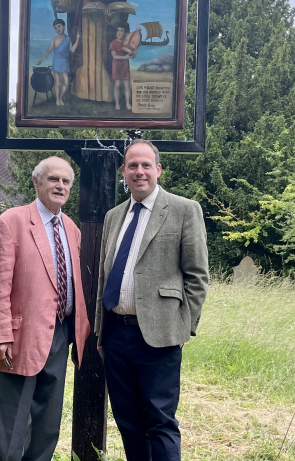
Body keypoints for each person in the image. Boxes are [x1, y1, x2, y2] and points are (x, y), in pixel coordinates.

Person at [94, 140, 209, 460]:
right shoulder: (113, 216)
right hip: (116, 334)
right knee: (129, 422)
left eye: (146, 165)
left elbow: (197, 277)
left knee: (160, 422)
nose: (139, 171)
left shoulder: (185, 210)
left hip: (160, 335)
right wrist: (103, 333)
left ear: (158, 170)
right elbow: (106, 275)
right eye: (132, 166)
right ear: (124, 172)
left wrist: (184, 328)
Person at [0, 156, 90, 461]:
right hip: (21, 335)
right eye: (53, 179)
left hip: (60, 333)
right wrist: (0, 335)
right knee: (10, 421)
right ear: (36, 181)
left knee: (47, 423)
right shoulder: (11, 222)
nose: (60, 186)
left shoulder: (71, 229)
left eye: (66, 181)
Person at [48, 0, 129, 103]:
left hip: (104, 33)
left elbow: (122, 13)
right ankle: (81, 91)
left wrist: (110, 14)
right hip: (83, 30)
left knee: (102, 62)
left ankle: (104, 95)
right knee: (83, 60)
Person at [35, 18, 81, 106]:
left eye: (59, 26)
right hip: (56, 61)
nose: (57, 29)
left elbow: (72, 50)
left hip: (64, 62)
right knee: (57, 82)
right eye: (55, 28)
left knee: (66, 83)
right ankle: (57, 100)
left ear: (63, 27)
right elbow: (49, 50)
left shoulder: (68, 38)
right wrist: (41, 59)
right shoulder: (53, 39)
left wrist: (78, 39)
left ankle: (60, 97)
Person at [109, 23, 135, 111]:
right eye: (118, 30)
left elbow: (132, 54)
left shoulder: (127, 43)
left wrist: (133, 53)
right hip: (116, 65)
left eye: (121, 30)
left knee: (127, 85)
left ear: (125, 33)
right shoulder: (113, 43)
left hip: (125, 65)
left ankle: (128, 103)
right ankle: (117, 104)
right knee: (117, 84)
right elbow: (114, 56)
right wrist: (125, 57)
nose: (119, 32)